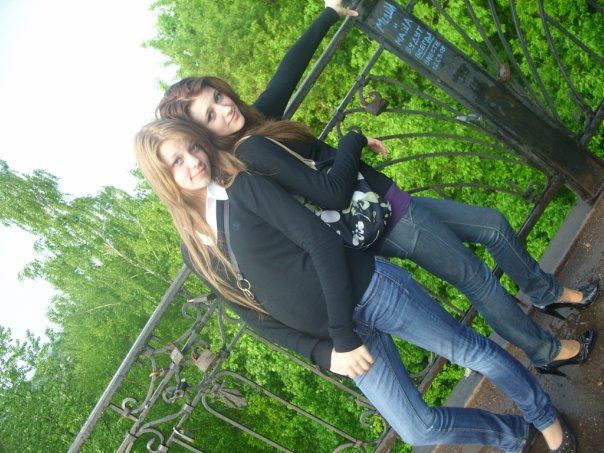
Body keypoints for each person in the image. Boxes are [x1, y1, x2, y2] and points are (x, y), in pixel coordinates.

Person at [155, 0, 599, 376]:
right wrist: (353, 139)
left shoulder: (252, 126)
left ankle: (547, 294)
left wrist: (328, 13)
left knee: (493, 226)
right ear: (204, 136)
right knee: (474, 277)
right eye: (210, 115)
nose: (224, 108)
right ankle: (544, 351)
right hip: (386, 219)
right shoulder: (250, 149)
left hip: (385, 205)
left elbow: (286, 74)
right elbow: (330, 193)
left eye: (218, 96)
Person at [133, 117, 578, 452]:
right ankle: (513, 436)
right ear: (161, 177)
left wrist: (342, 333)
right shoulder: (194, 251)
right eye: (177, 160)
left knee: (470, 351)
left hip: (371, 293)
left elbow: (320, 241)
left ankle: (543, 417)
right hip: (341, 345)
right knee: (416, 428)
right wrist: (325, 352)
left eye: (193, 147)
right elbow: (254, 318)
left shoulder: (241, 188)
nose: (194, 161)